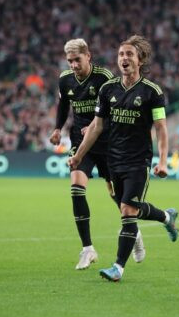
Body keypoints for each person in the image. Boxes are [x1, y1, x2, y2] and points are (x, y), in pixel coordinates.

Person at [69, 35, 179, 282]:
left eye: (129, 54)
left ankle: (118, 267)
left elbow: (161, 127)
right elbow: (96, 126)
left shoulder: (152, 92)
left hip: (138, 161)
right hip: (113, 160)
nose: (124, 58)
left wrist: (163, 161)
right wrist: (78, 156)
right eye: (120, 54)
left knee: (128, 211)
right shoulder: (108, 89)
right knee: (130, 209)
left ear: (140, 59)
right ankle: (167, 217)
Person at [50, 38, 146, 270]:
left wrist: (94, 126)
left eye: (77, 60)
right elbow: (64, 106)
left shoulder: (104, 78)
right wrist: (57, 127)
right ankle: (87, 249)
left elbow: (116, 110)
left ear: (88, 56)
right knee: (76, 188)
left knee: (119, 198)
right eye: (70, 61)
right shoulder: (65, 80)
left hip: (108, 143)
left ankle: (134, 232)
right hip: (80, 144)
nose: (73, 65)